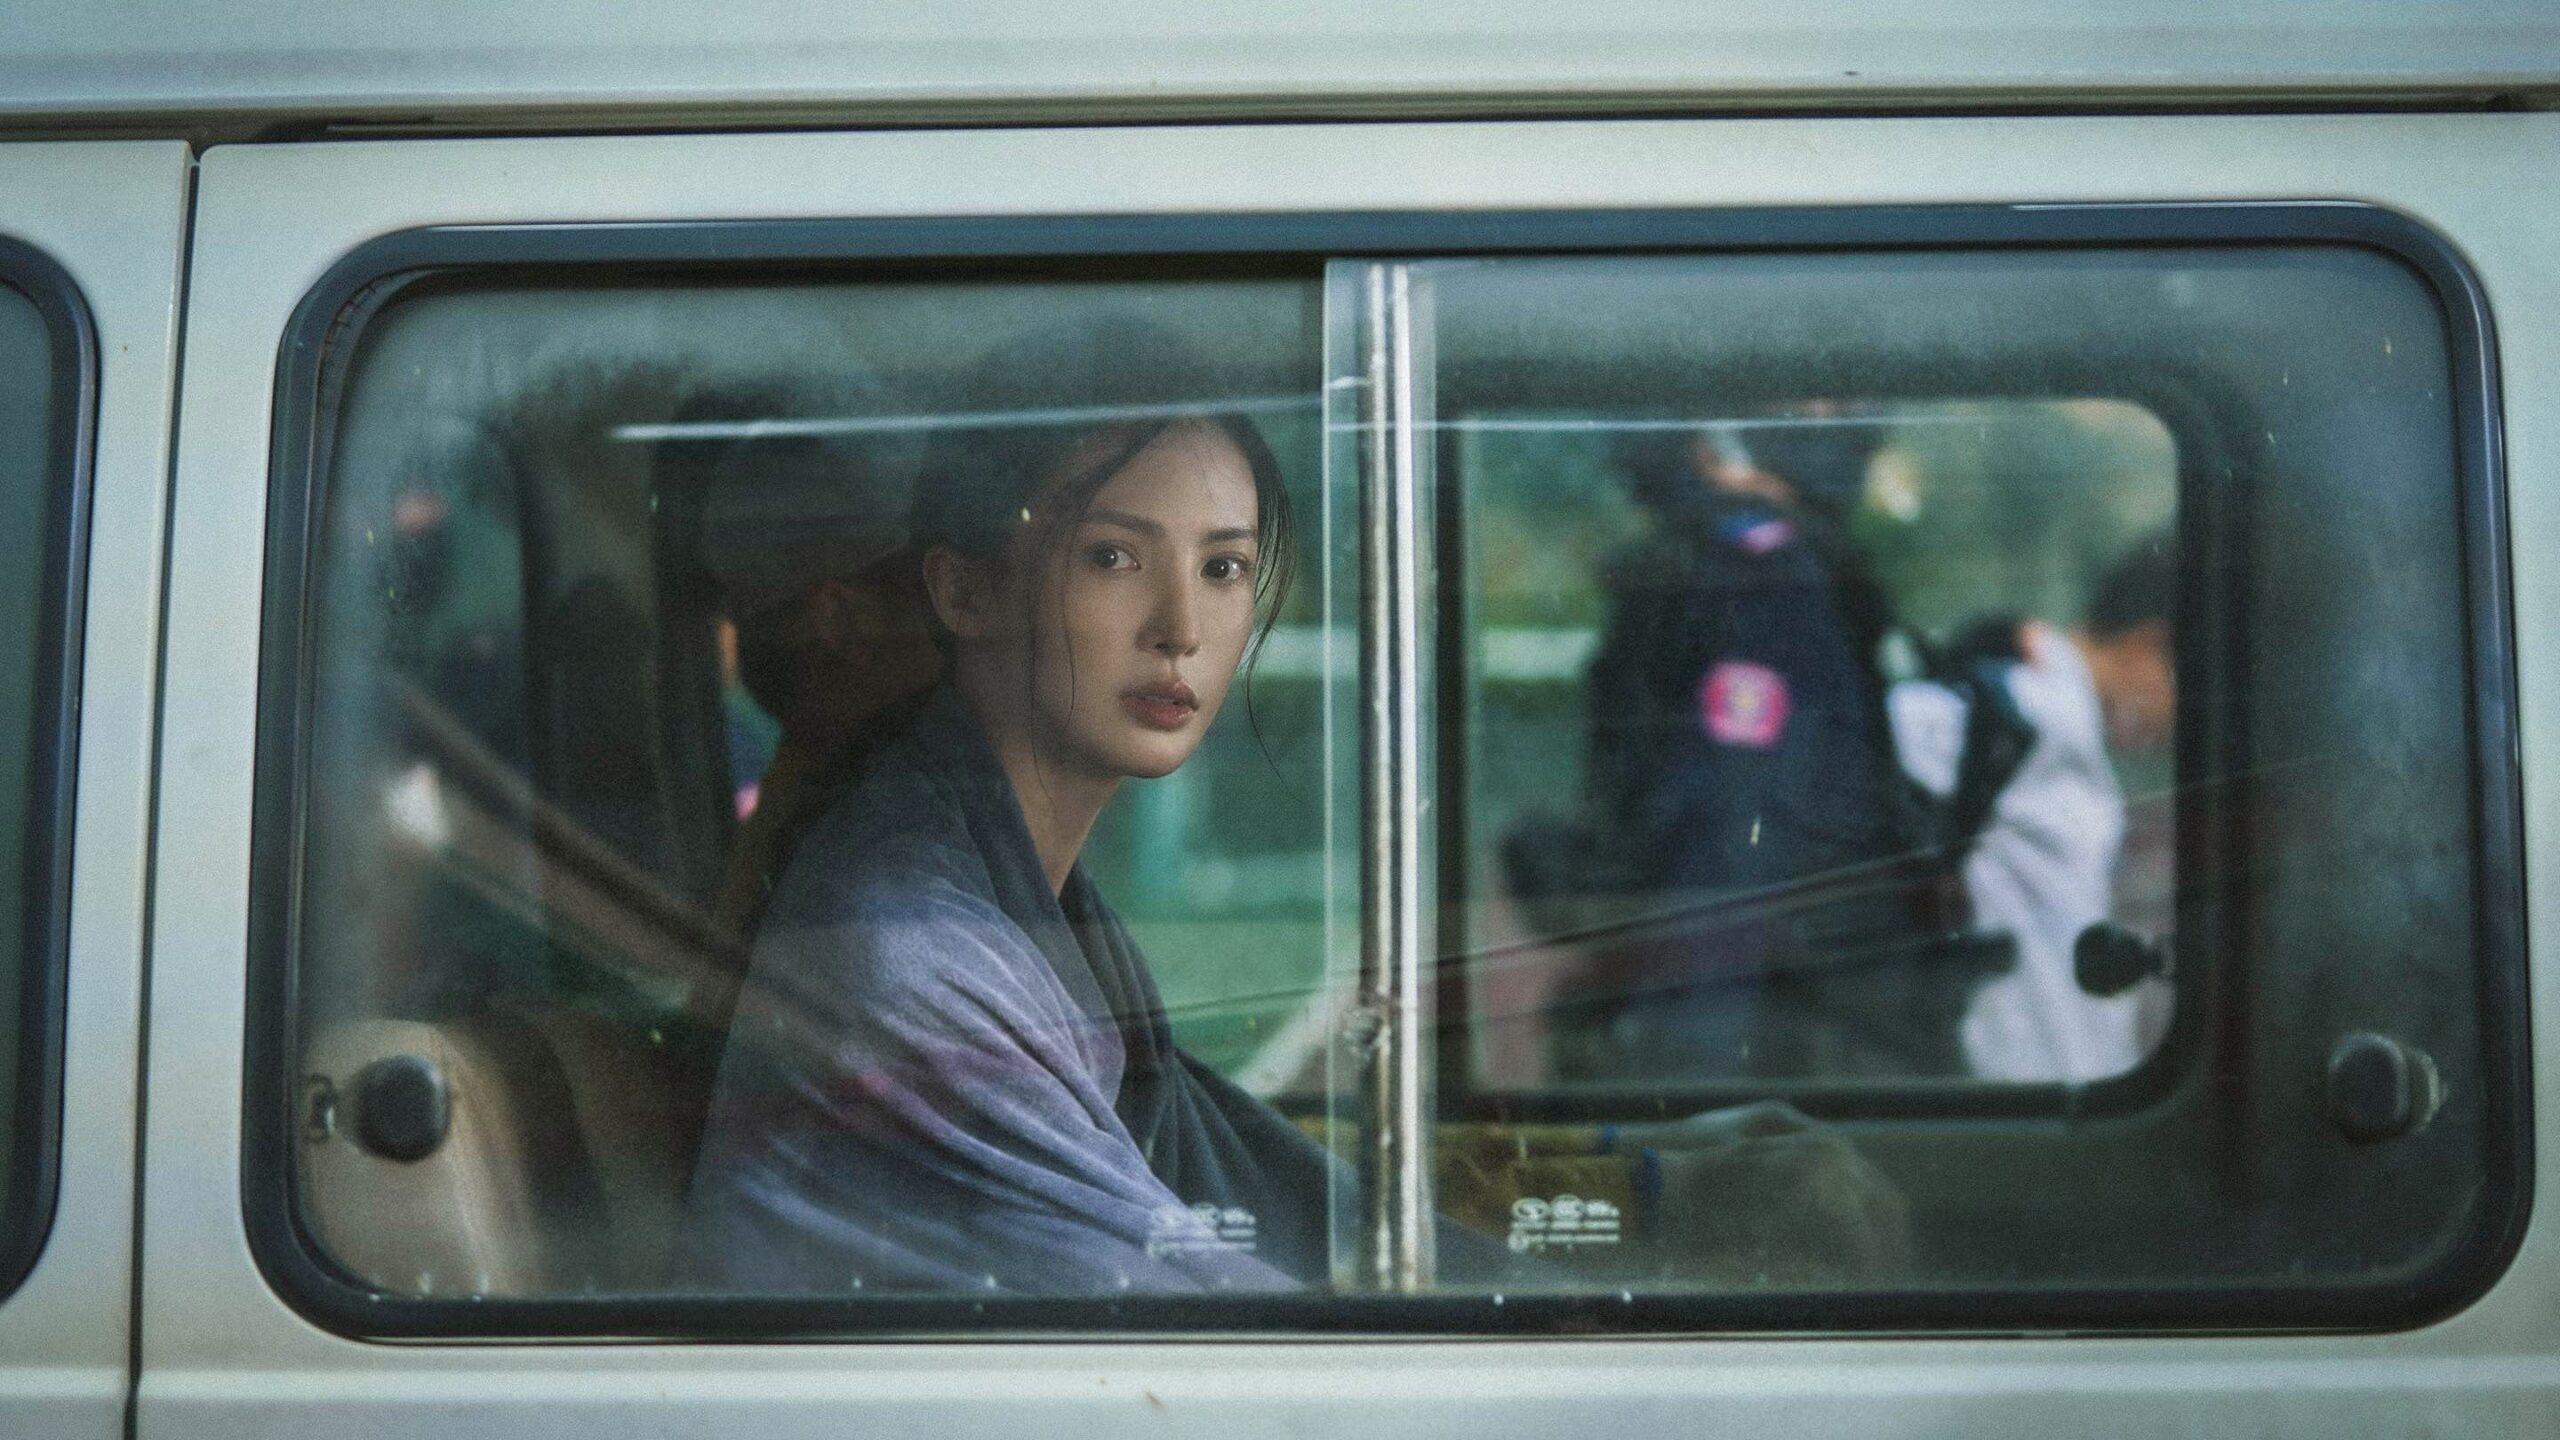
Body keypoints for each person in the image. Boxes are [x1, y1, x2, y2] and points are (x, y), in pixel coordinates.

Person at [682, 339, 1385, 1293]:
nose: (1181, 628)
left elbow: (1251, 1195)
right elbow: (1193, 1315)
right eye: (1112, 557)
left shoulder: (1040, 912)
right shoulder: (912, 951)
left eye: (1224, 568)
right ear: (963, 591)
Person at [1888, 537, 2177, 1082]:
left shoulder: (2042, 717)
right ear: (2148, 645)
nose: (2172, 729)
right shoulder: (2039, 719)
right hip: (2029, 1093)